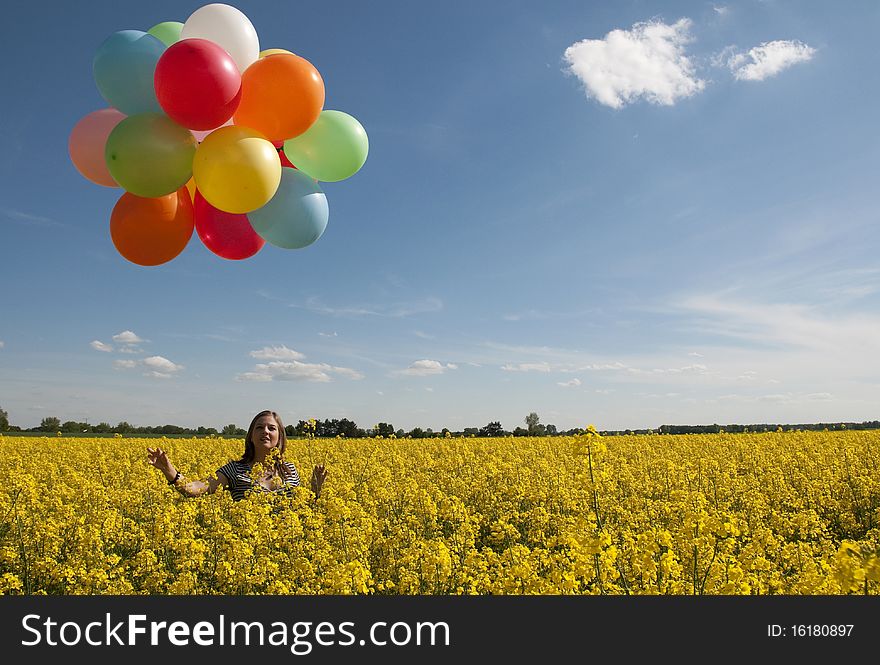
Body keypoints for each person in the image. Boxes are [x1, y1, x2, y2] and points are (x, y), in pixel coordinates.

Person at [147, 410, 328, 501]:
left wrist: (315, 491)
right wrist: (169, 471)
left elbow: (303, 510)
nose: (265, 431)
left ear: (280, 436)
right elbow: (196, 488)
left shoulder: (289, 470)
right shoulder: (234, 470)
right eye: (259, 427)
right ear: (250, 435)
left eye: (271, 428)